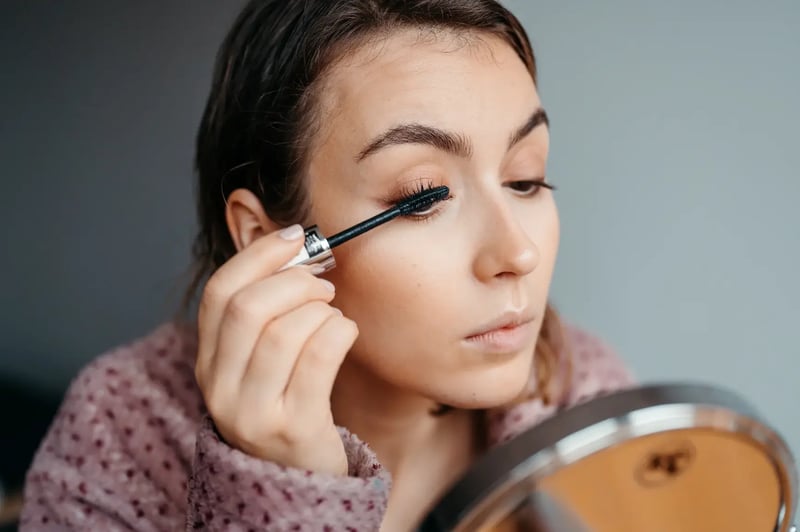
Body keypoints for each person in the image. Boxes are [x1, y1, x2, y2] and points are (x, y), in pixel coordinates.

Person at [20, 1, 634, 530]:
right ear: (269, 239)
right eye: (420, 198)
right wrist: (281, 493)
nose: (517, 253)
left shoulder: (586, 398)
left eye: (525, 179)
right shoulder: (125, 433)